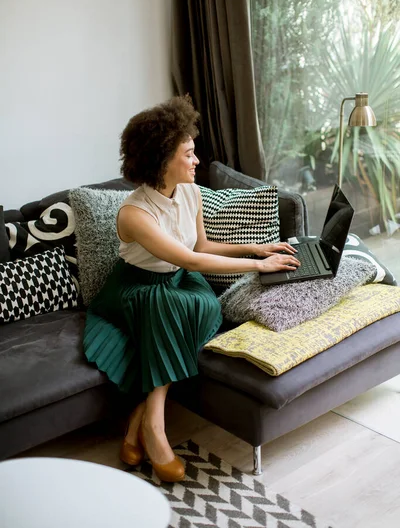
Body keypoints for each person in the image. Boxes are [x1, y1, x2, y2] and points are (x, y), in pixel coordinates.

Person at [84, 95, 300, 482]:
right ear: (161, 160)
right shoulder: (134, 214)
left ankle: (140, 418)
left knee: (205, 307)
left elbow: (200, 246)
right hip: (136, 288)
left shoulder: (191, 192)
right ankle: (155, 430)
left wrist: (254, 245)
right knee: (166, 309)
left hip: (177, 280)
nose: (196, 160)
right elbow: (192, 260)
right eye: (188, 153)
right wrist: (258, 264)